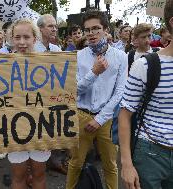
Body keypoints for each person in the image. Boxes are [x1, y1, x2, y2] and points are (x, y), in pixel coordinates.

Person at [66, 10, 128, 189]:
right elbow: (73, 91)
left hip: (107, 118)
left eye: (96, 28)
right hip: (80, 115)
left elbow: (120, 92)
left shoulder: (120, 57)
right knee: (75, 163)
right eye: (87, 30)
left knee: (110, 165)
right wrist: (94, 73)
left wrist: (100, 119)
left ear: (106, 30)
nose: (91, 34)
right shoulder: (78, 56)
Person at [119, 0, 173, 188]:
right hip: (151, 154)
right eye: (144, 36)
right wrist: (126, 164)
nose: (148, 40)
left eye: (150, 35)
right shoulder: (145, 64)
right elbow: (125, 113)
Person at [0, 18, 50, 189]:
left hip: (41, 129)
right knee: (18, 176)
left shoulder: (49, 64)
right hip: (14, 130)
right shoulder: (1, 65)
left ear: (34, 39)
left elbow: (58, 98)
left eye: (26, 37)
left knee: (39, 174)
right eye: (17, 37)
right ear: (12, 39)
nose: (22, 42)